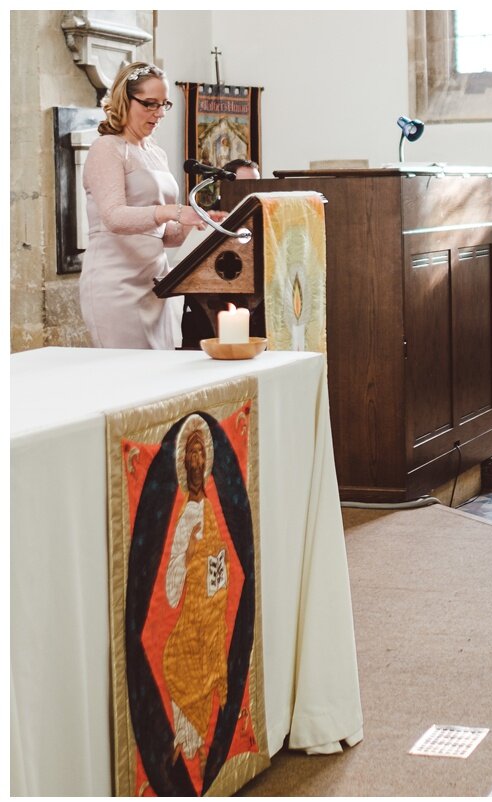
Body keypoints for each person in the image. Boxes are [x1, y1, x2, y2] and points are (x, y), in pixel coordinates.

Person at [80, 61, 225, 349]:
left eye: (163, 104)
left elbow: (164, 235)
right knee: (128, 380)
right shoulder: (107, 148)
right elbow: (113, 217)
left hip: (155, 284)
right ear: (124, 99)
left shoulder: (155, 153)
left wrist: (196, 223)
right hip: (116, 286)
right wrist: (173, 211)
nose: (158, 113)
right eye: (149, 104)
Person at [162, 414, 229, 766]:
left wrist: (215, 567)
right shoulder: (185, 515)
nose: (196, 462)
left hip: (212, 610)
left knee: (206, 659)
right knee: (174, 657)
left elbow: (224, 560)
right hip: (192, 612)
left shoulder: (212, 510)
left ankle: (200, 746)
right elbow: (173, 577)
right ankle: (186, 743)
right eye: (190, 456)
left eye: (201, 455)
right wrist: (187, 558)